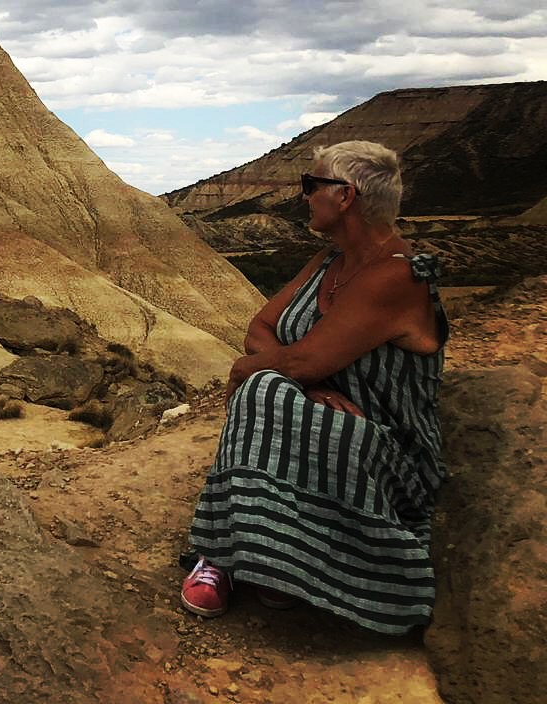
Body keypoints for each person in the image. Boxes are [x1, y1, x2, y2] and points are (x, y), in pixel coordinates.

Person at [180, 140, 446, 633]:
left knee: (259, 384)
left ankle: (223, 552)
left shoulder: (394, 275)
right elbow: (259, 328)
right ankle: (259, 556)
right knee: (270, 384)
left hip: (383, 441)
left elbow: (296, 358)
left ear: (345, 197)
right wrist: (308, 376)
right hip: (323, 414)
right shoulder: (328, 262)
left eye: (311, 185)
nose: (303, 196)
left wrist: (285, 369)